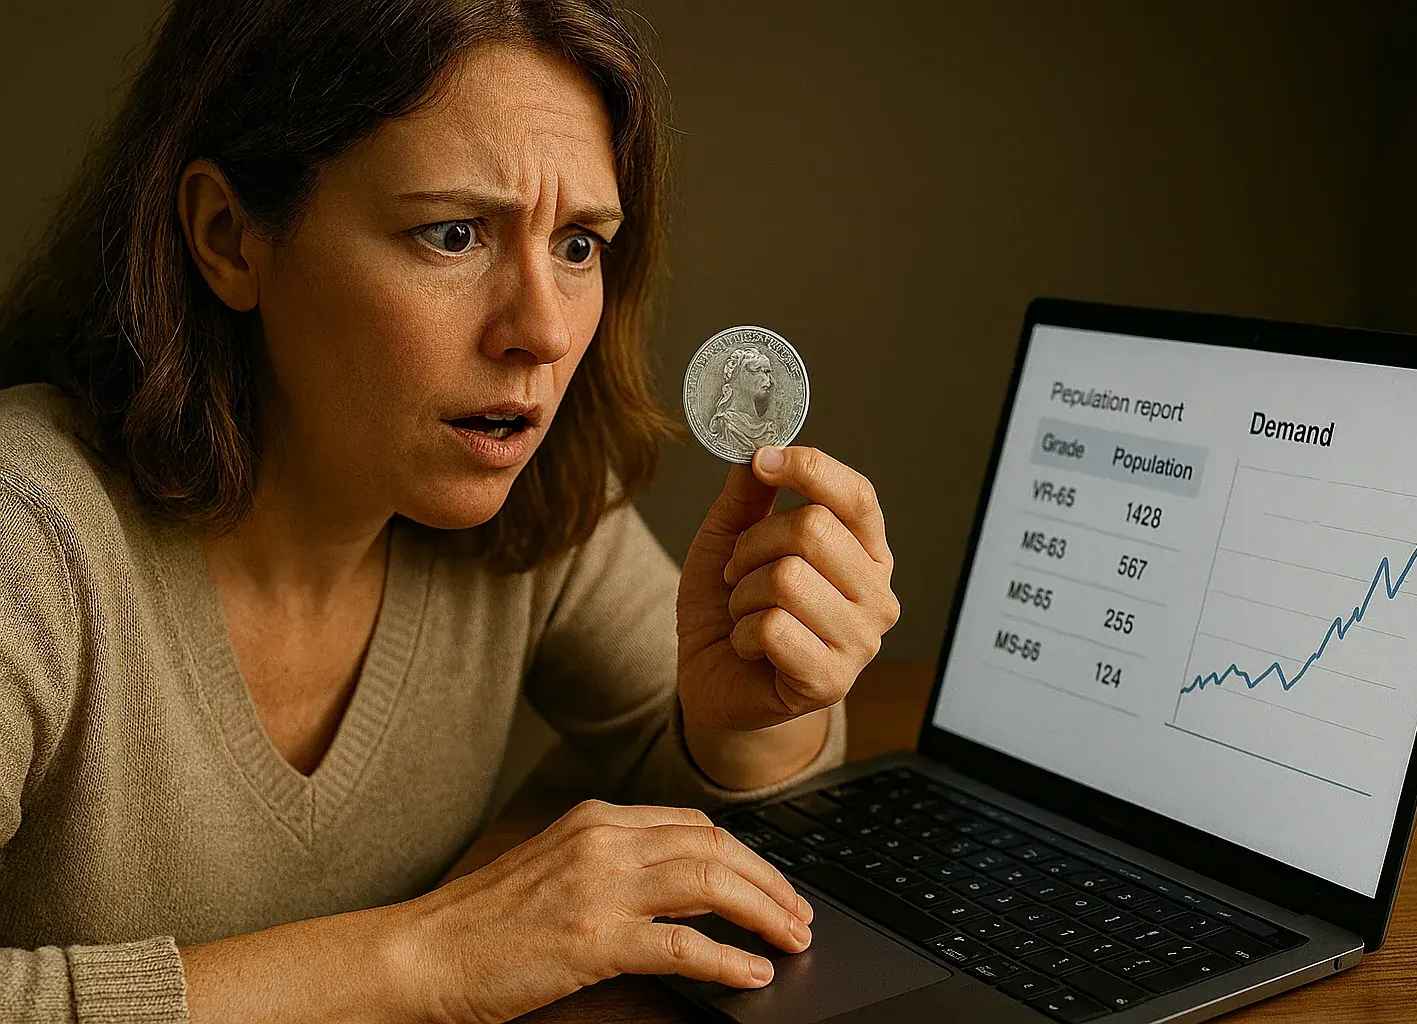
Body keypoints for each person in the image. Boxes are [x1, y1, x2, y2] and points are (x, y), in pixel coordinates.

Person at [0, 1, 900, 1021]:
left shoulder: (536, 492)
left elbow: (690, 761)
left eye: (577, 245)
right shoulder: (24, 536)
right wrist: (423, 959)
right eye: (453, 233)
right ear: (228, 238)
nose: (544, 333)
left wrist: (750, 719)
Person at [708, 346, 779, 452]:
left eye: (768, 373)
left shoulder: (769, 428)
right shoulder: (726, 425)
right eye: (763, 371)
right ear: (743, 377)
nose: (771, 380)